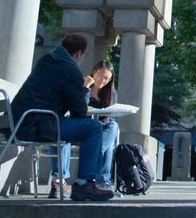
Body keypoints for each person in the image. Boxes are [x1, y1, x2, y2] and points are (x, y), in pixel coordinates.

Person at [10, 33, 114, 201]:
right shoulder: (70, 69)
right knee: (93, 128)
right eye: (84, 55)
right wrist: (84, 89)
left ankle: (61, 180)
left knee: (66, 127)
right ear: (79, 53)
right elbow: (79, 112)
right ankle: (84, 184)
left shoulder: (46, 60)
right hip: (36, 126)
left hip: (18, 122)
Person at [51, 60, 120, 192]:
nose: (103, 80)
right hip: (80, 127)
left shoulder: (111, 93)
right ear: (94, 72)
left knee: (113, 127)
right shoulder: (81, 86)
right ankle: (60, 179)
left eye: (107, 78)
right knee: (63, 133)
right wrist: (85, 88)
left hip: (99, 129)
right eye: (101, 76)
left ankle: (101, 175)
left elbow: (109, 116)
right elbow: (77, 108)